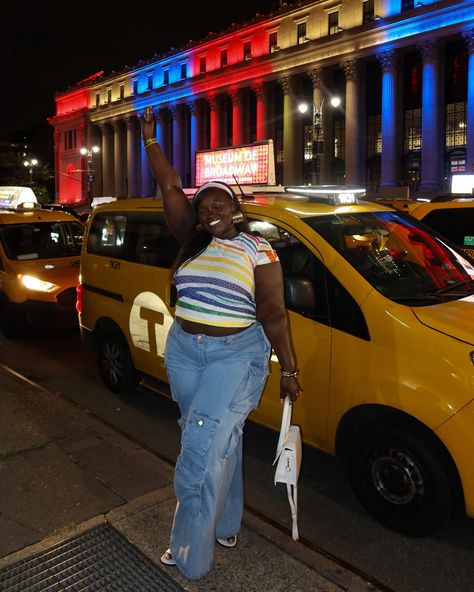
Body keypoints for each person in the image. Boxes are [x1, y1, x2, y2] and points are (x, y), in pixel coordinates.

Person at [140, 106, 302, 580]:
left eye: (219, 204)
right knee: (216, 442)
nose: (210, 210)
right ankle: (227, 521)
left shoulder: (257, 249)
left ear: (236, 210)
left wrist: (289, 370)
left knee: (198, 448)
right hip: (186, 353)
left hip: (236, 357)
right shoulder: (188, 240)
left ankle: (192, 554)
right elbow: (171, 185)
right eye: (203, 204)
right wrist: (151, 140)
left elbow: (273, 313)